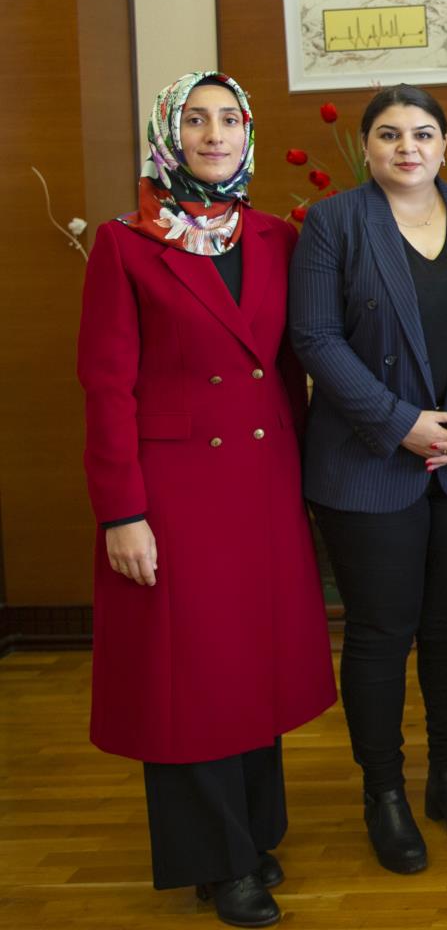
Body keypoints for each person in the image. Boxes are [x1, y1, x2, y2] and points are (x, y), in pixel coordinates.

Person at [78, 71, 336, 928]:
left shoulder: (276, 235)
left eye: (229, 119)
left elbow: (297, 363)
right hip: (173, 496)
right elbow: (106, 388)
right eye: (196, 119)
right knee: (189, 682)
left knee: (251, 670)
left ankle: (253, 837)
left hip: (264, 484)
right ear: (169, 133)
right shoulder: (124, 244)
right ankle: (219, 863)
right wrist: (121, 512)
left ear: (247, 134)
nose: (214, 134)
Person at [288, 85, 447, 875]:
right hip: (368, 462)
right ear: (366, 147)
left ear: (444, 143)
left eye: (423, 133)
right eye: (389, 134)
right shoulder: (334, 222)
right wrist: (401, 423)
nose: (407, 147)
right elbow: (316, 338)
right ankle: (384, 792)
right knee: (381, 631)